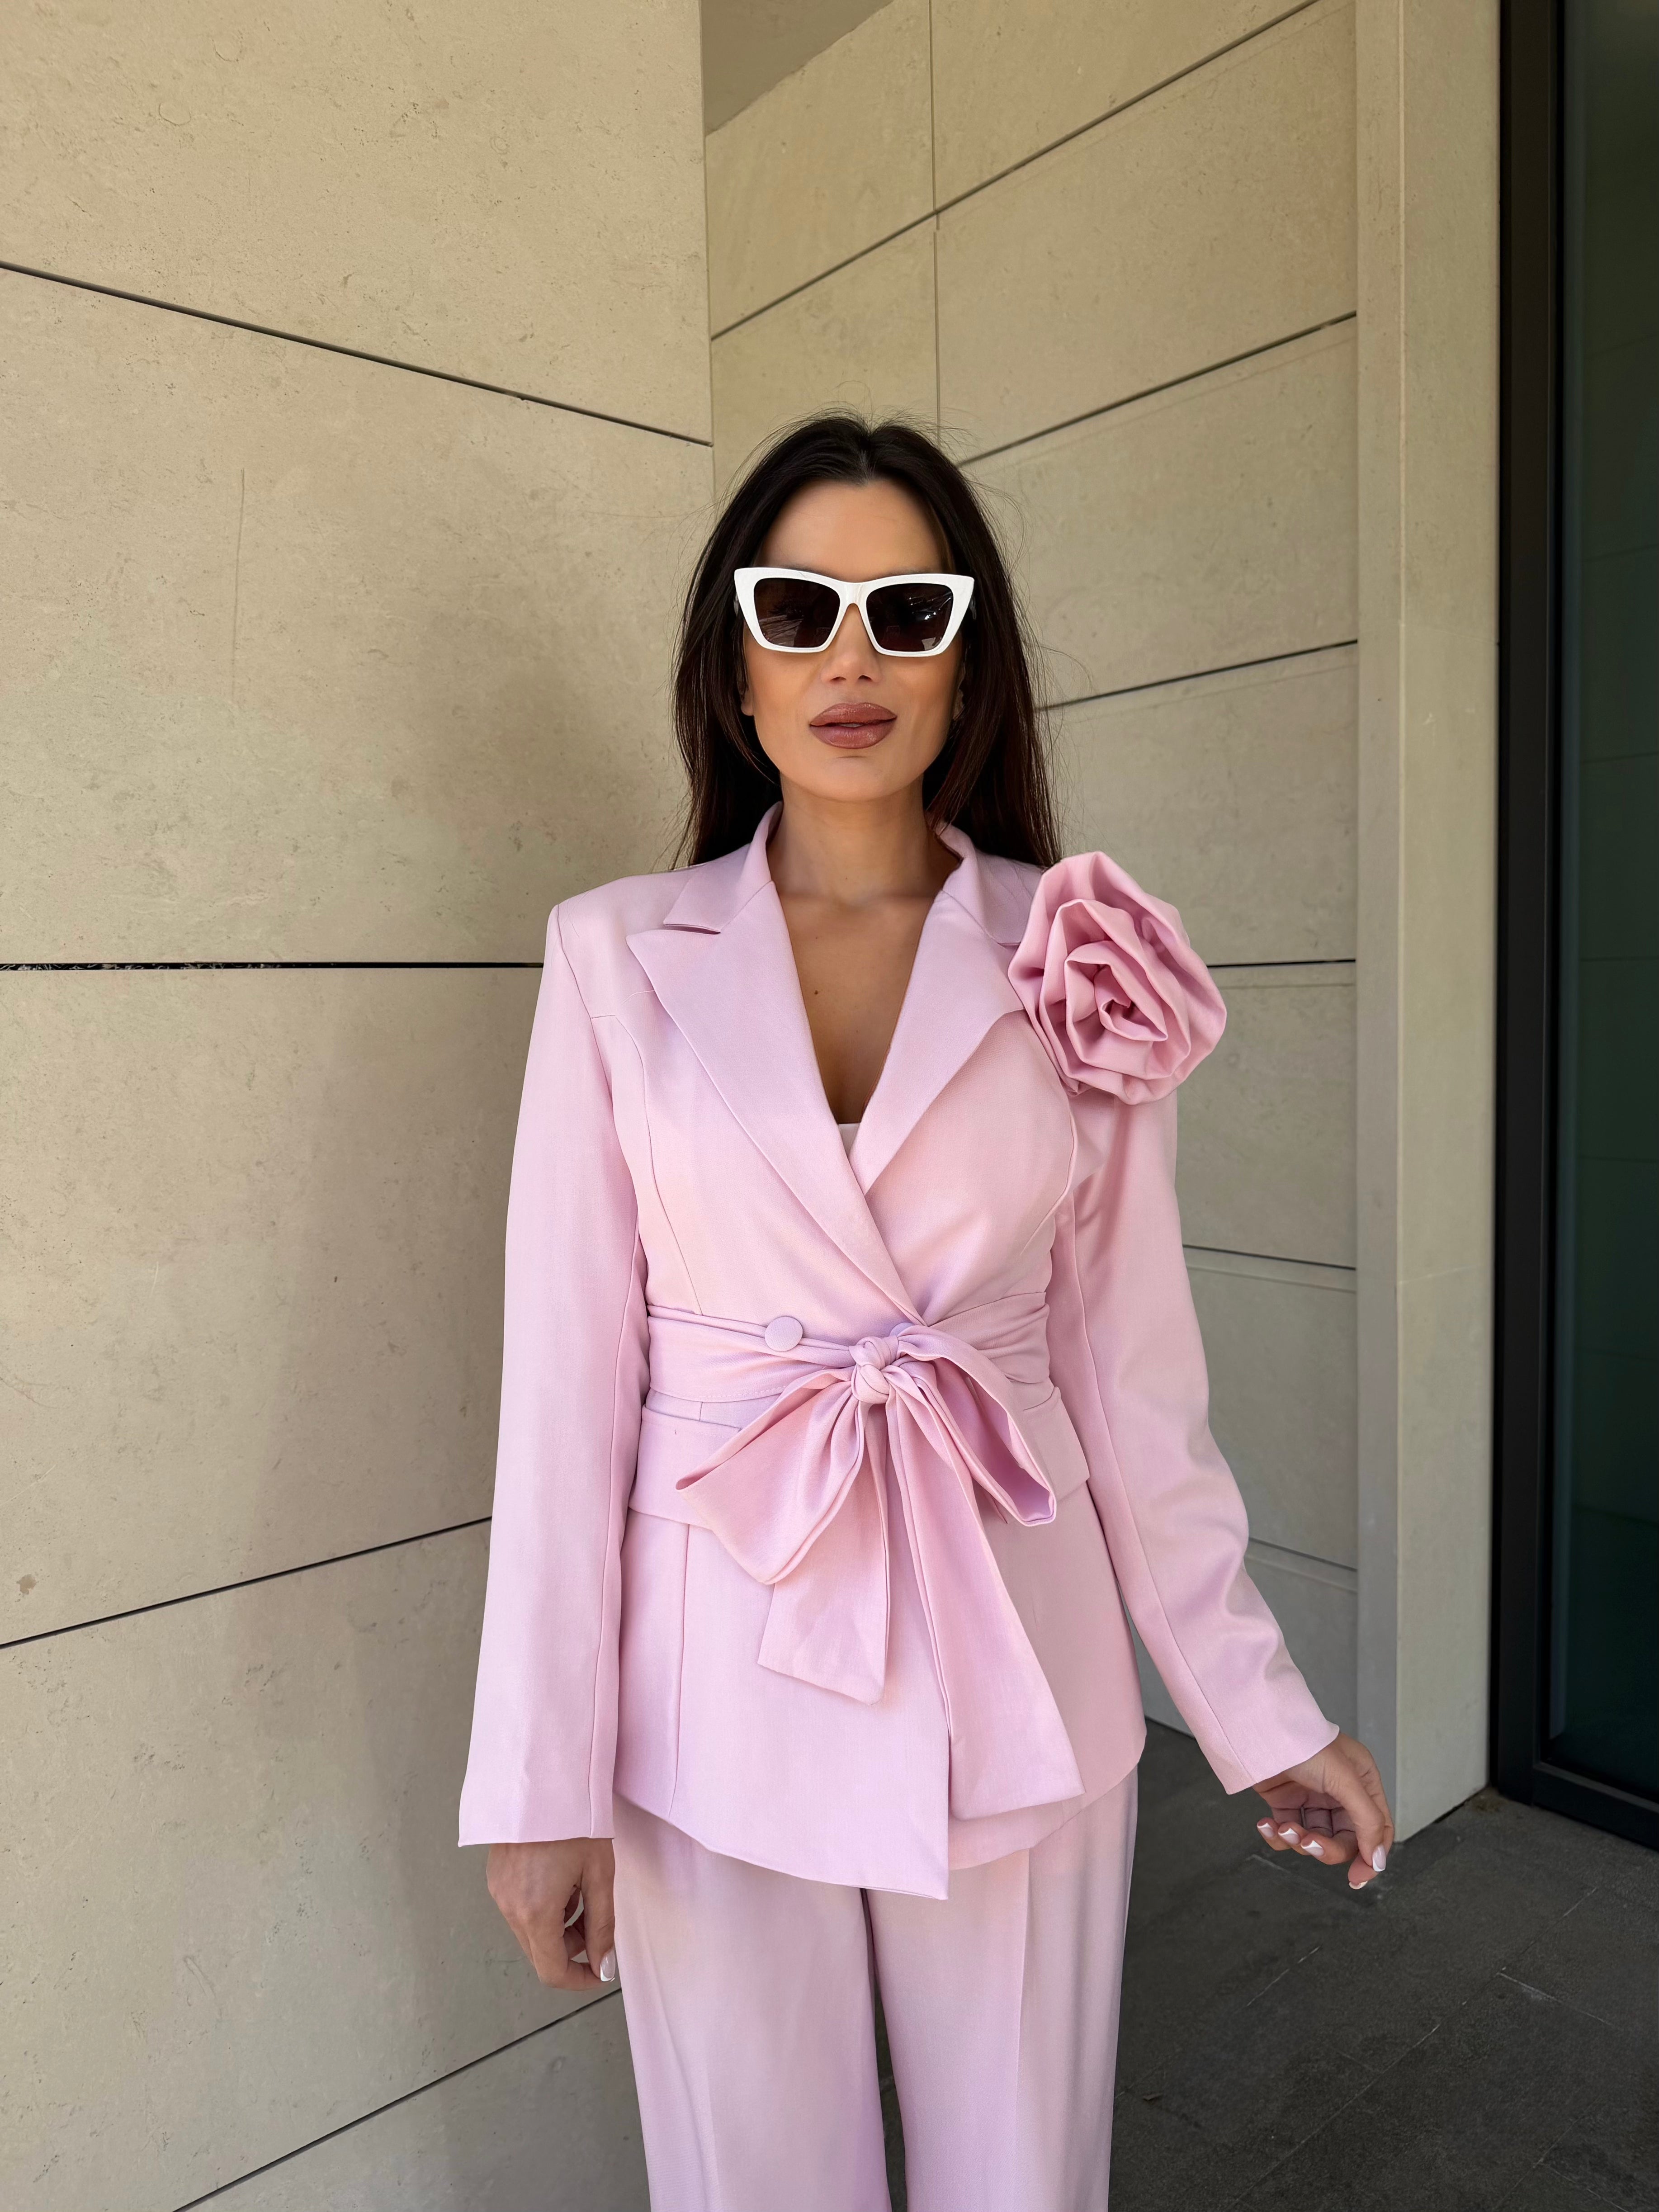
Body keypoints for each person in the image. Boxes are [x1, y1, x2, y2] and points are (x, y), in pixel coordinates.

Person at [458, 414, 1394, 2212]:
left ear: (967, 662)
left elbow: (1135, 1387)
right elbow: (565, 1393)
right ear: (735, 662)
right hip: (711, 1690)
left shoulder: (1074, 957)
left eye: (908, 609)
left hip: (1018, 1672)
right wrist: (538, 1779)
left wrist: (1257, 1705)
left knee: (1022, 2177)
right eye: (798, 606)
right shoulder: (613, 954)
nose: (852, 656)